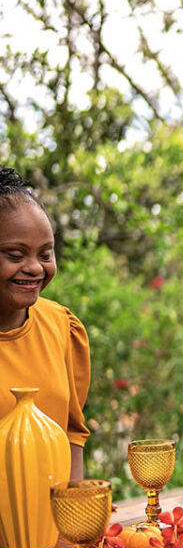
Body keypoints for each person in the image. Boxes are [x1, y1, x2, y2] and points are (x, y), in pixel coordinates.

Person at [0, 166, 90, 479]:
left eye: (45, 254)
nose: (35, 268)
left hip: (54, 524)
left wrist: (75, 513)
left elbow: (72, 433)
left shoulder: (61, 327)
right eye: (15, 254)